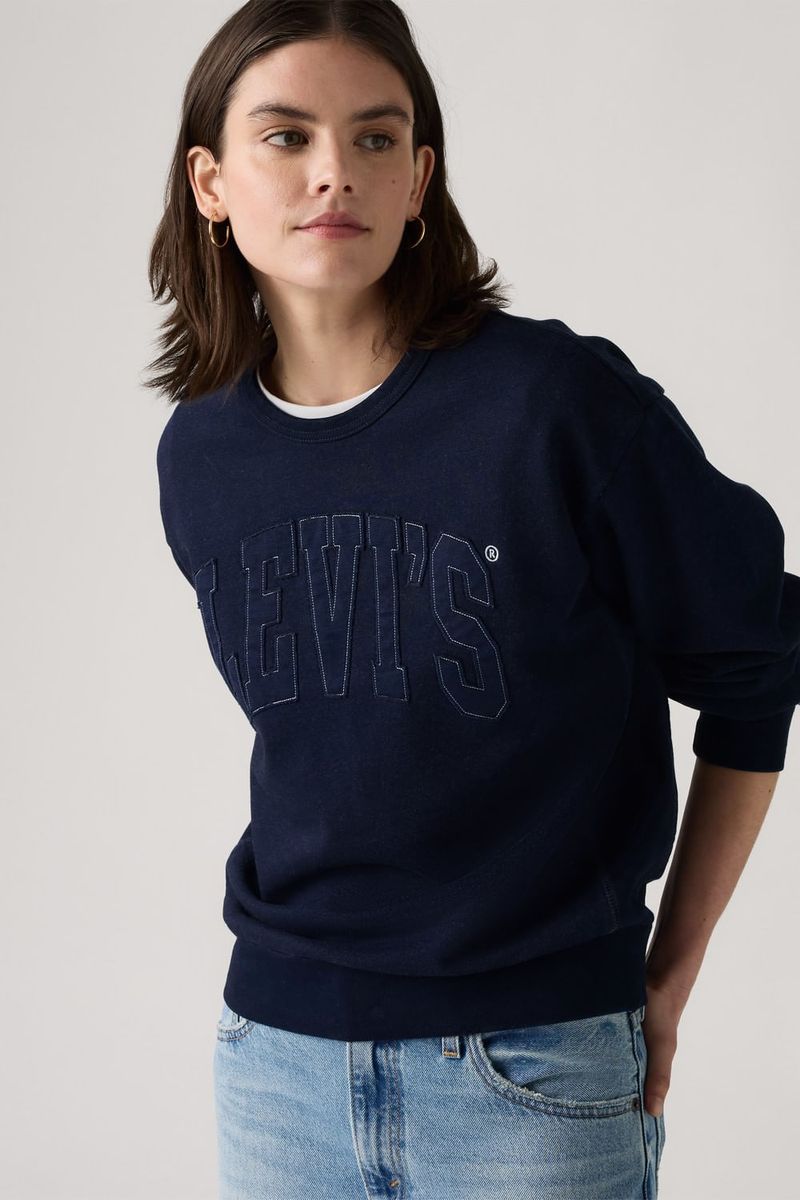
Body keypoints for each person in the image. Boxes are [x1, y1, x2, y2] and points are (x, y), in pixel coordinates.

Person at [147, 3, 800, 1197]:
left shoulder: (553, 405)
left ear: (418, 179)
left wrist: (669, 971)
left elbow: (758, 656)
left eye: (376, 137)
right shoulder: (201, 454)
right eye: (286, 137)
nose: (334, 171)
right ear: (211, 183)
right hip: (276, 1067)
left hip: (531, 1070)